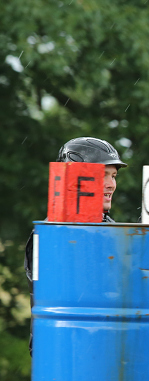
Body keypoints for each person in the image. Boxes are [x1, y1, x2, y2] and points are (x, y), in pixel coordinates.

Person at [24, 137, 127, 354]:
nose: (111, 184)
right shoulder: (53, 232)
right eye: (103, 175)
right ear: (77, 178)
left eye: (114, 176)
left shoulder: (111, 227)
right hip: (65, 353)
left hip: (106, 351)